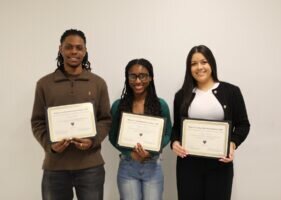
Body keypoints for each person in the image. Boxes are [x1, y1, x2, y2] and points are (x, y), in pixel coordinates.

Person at [31, 29, 111, 200]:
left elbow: (105, 120)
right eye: (69, 47)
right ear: (60, 49)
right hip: (55, 168)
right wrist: (50, 145)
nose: (74, 52)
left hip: (91, 167)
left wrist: (93, 141)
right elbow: (37, 122)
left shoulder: (98, 83)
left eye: (79, 47)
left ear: (85, 51)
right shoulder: (44, 84)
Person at [171, 45, 250, 200]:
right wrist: (174, 142)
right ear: (189, 68)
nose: (199, 67)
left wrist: (233, 143)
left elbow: (243, 124)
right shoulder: (182, 95)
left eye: (204, 62)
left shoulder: (231, 92)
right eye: (193, 64)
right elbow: (176, 129)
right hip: (188, 165)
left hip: (220, 164)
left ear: (211, 63)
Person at [109, 58, 172, 200]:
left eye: (143, 76)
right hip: (127, 166)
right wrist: (129, 153)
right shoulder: (118, 106)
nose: (138, 81)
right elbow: (112, 136)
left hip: (153, 166)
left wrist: (151, 151)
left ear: (151, 78)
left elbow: (168, 133)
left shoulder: (160, 105)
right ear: (127, 78)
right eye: (133, 76)